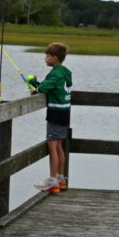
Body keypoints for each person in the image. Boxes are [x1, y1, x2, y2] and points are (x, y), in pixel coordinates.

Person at [32, 42, 73, 194]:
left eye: (48, 56)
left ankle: (52, 181)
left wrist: (35, 86)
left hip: (56, 113)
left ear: (55, 58)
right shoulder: (65, 72)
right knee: (60, 146)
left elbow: (43, 88)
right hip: (65, 113)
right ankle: (61, 180)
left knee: (53, 147)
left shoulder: (55, 73)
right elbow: (50, 86)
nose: (45, 58)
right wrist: (37, 85)